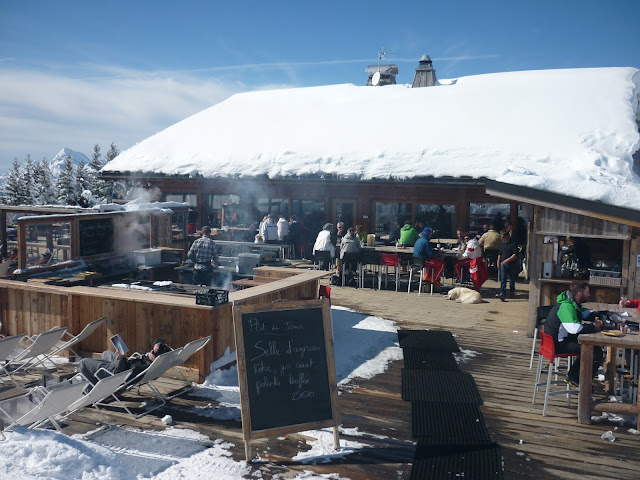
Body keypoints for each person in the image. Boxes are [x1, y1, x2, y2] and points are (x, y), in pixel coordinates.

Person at [543, 281, 604, 387]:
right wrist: (593, 327)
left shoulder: (570, 302)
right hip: (558, 345)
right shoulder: (566, 306)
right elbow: (575, 329)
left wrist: (597, 315)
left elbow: (582, 313)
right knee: (595, 352)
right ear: (579, 294)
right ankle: (579, 381)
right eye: (587, 292)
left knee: (591, 347)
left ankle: (574, 376)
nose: (589, 295)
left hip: (558, 340)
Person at [79, 338, 172, 385]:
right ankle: (99, 374)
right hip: (124, 366)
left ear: (156, 357)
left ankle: (95, 388)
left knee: (83, 363)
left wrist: (122, 357)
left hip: (114, 372)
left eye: (152, 351)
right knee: (107, 353)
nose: (150, 351)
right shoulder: (155, 364)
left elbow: (120, 374)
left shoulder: (140, 367)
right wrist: (158, 344)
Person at [496, 231, 519, 301]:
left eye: (503, 237)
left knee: (512, 279)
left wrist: (507, 261)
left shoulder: (513, 243)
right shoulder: (502, 243)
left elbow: (515, 255)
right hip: (503, 264)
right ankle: (502, 293)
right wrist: (498, 261)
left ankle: (512, 291)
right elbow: (500, 253)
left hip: (512, 264)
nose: (502, 239)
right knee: (503, 279)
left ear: (507, 237)